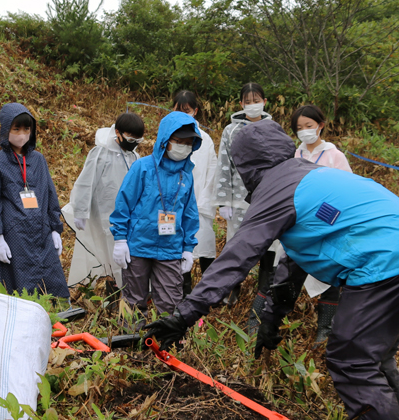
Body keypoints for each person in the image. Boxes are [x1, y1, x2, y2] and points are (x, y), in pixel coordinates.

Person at [145, 120, 399, 420]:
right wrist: (271, 320)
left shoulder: (276, 186)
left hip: (384, 261)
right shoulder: (305, 176)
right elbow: (295, 260)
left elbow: (236, 258)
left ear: (247, 166)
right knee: (373, 354)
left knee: (351, 357)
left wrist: (183, 315)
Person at [110, 111, 201, 314]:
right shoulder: (142, 167)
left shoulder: (186, 175)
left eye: (188, 142)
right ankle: (130, 342)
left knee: (170, 302)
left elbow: (189, 213)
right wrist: (120, 239)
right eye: (179, 141)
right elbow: (124, 203)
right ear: (165, 140)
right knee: (133, 301)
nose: (183, 146)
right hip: (139, 245)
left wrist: (188, 248)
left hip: (170, 248)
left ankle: (166, 343)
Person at [212, 82, 282, 326]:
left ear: (265, 101)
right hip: (239, 201)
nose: (253, 104)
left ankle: (263, 294)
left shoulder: (274, 128)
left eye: (257, 99)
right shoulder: (231, 130)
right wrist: (223, 199)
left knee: (269, 247)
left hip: (268, 200)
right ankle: (232, 291)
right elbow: (224, 165)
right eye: (248, 100)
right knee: (237, 246)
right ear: (241, 104)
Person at [0, 103, 68, 299]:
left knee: (50, 278)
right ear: (6, 130)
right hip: (15, 234)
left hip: (41, 230)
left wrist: (55, 228)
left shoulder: (38, 160)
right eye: (16, 129)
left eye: (26, 129)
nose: (22, 134)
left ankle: (56, 318)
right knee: (18, 284)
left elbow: (49, 192)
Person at [290, 104, 351, 343]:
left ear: (321, 126)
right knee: (293, 268)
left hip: (329, 222)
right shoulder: (297, 154)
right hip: (302, 222)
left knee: (329, 272)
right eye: (299, 128)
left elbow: (347, 190)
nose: (305, 131)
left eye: (309, 126)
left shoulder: (334, 155)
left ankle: (325, 328)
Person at [64, 112, 145, 290]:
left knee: (124, 255)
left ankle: (127, 291)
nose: (133, 145)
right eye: (130, 139)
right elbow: (86, 182)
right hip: (103, 212)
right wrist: (81, 211)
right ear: (118, 133)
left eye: (137, 141)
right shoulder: (100, 153)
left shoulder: (134, 157)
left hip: (128, 216)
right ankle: (112, 290)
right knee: (106, 255)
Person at [170, 91, 218, 294]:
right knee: (179, 248)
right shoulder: (168, 134)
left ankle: (209, 291)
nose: (182, 114)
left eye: (187, 111)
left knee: (204, 245)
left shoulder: (204, 139)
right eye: (178, 110)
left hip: (199, 202)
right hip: (173, 203)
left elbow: (212, 172)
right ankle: (184, 292)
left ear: (195, 111)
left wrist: (206, 203)